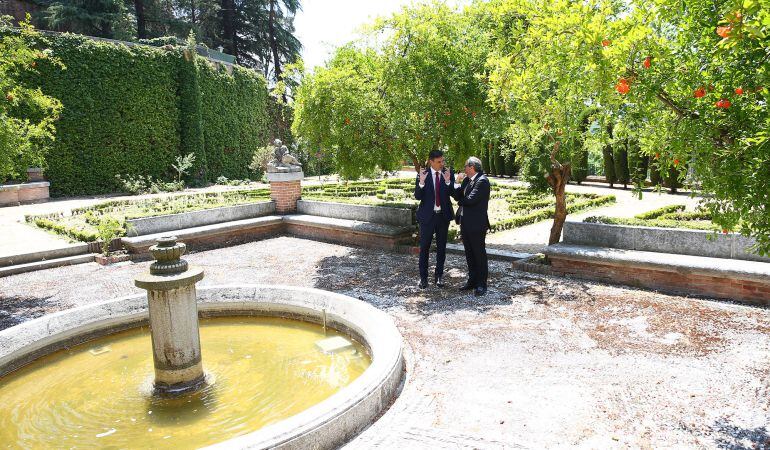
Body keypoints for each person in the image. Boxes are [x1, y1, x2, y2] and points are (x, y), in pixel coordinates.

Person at [414, 149, 455, 289]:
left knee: (441, 248)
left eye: (442, 161)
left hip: (443, 217)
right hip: (427, 218)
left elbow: (453, 193)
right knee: (424, 248)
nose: (442, 164)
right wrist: (421, 183)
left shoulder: (447, 173)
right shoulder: (423, 174)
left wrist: (449, 181)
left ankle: (439, 277)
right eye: (439, 162)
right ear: (431, 161)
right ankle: (423, 278)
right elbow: (418, 196)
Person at [451, 156, 490, 296]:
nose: (464, 169)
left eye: (465, 167)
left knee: (479, 254)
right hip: (465, 223)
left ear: (472, 167)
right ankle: (472, 280)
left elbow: (470, 200)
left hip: (477, 224)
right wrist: (456, 182)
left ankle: (481, 284)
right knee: (469, 254)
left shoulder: (483, 181)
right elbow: (457, 196)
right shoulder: (467, 180)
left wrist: (462, 201)